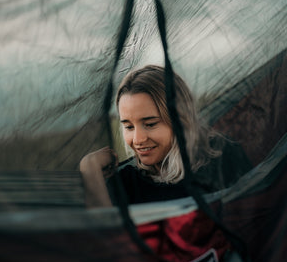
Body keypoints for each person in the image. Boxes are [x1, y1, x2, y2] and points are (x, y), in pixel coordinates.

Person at [79, 65, 252, 208]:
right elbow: (106, 243)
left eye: (151, 124)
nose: (138, 140)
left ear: (180, 120)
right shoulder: (126, 185)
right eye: (129, 126)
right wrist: (90, 169)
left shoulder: (223, 159)